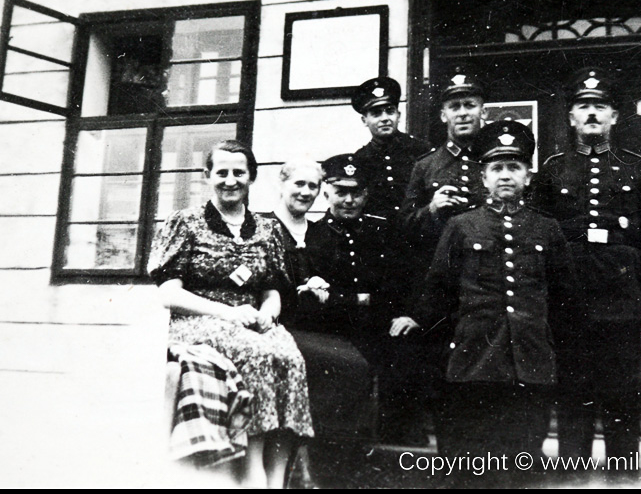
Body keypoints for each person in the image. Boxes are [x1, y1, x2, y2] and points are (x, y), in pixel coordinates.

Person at [529, 68, 641, 477]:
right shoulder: (553, 169)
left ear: (615, 117)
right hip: (569, 295)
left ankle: (623, 469)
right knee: (572, 385)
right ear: (571, 118)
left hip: (622, 294)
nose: (591, 114)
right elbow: (537, 233)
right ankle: (573, 469)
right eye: (583, 107)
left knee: (622, 386)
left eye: (600, 107)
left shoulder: (637, 168)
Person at [149, 140, 313, 489]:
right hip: (198, 320)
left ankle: (278, 475)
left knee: (289, 355)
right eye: (221, 172)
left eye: (239, 172)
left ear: (251, 177)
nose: (230, 180)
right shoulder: (186, 222)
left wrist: (268, 312)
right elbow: (168, 294)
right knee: (256, 353)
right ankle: (252, 469)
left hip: (251, 320)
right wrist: (228, 313)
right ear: (207, 175)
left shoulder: (267, 229)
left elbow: (272, 291)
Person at [415, 121, 576, 476]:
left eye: (514, 167)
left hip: (530, 359)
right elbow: (438, 292)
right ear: (483, 178)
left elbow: (566, 298)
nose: (506, 175)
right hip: (474, 359)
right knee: (472, 461)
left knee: (521, 458)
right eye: (497, 168)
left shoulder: (547, 229)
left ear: (528, 176)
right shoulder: (461, 226)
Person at [302, 154, 430, 445]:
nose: (349, 200)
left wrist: (406, 313)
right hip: (335, 331)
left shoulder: (384, 231)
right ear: (326, 193)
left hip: (381, 326)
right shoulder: (314, 235)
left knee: (406, 356)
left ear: (366, 193)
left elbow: (405, 280)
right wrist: (361, 299)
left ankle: (399, 445)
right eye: (341, 192)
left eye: (356, 192)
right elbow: (318, 300)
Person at [399, 67, 488, 274]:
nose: (463, 113)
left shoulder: (496, 162)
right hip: (441, 268)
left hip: (487, 269)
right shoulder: (425, 165)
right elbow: (405, 225)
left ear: (484, 112)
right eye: (454, 107)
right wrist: (431, 209)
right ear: (443, 115)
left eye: (470, 105)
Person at [351, 76, 431, 220]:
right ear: (364, 120)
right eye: (376, 113)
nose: (385, 118)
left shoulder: (421, 150)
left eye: (390, 111)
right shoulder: (360, 158)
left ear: (398, 115)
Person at [264, 158, 324, 328]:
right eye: (299, 184)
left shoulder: (321, 232)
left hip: (316, 329)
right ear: (281, 185)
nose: (305, 192)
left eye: (313, 186)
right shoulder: (260, 227)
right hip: (272, 325)